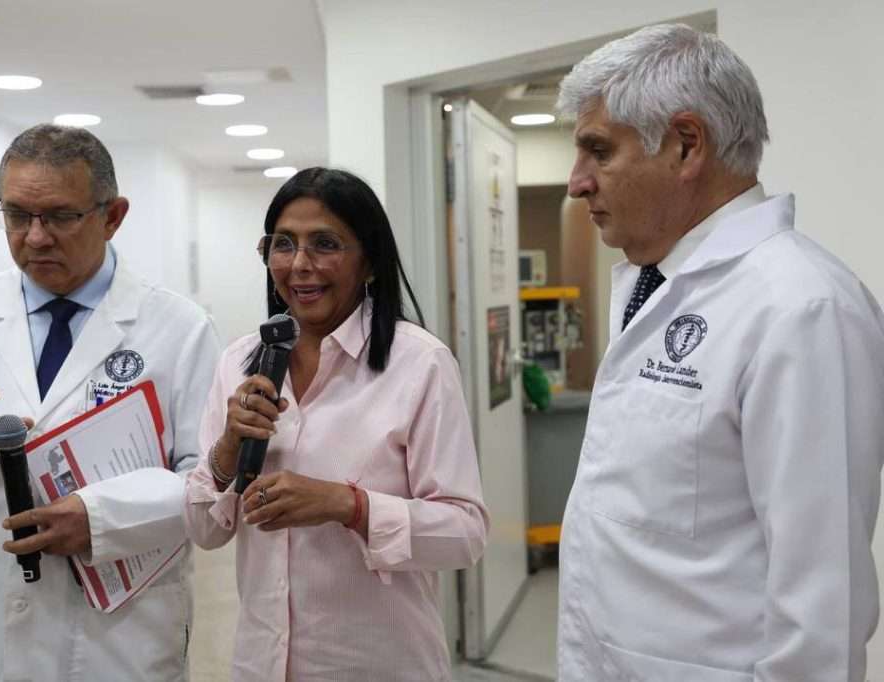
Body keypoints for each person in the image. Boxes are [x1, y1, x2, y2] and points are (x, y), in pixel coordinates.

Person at [555, 24, 884, 681]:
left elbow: (822, 610)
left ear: (686, 144)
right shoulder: (653, 285)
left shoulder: (801, 307)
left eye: (598, 151)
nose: (576, 183)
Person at [0, 124, 220, 681]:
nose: (34, 238)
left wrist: (101, 517)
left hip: (119, 645)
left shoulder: (179, 328)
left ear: (112, 216)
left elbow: (211, 487)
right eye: (16, 215)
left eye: (60, 216)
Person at [184, 167, 488, 681]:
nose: (300, 265)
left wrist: (347, 505)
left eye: (324, 244)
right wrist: (228, 449)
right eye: (283, 244)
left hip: (378, 665)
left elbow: (465, 534)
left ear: (368, 260)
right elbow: (204, 531)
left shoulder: (420, 364)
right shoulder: (239, 362)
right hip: (261, 664)